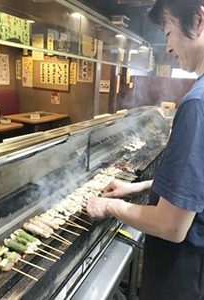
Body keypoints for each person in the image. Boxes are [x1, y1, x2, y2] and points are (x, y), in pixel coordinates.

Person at [86, 1, 204, 299]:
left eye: (168, 32)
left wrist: (109, 206)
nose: (166, 47)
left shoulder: (197, 104)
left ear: (199, 20)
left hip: (181, 273)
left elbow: (171, 225)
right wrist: (136, 186)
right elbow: (194, 185)